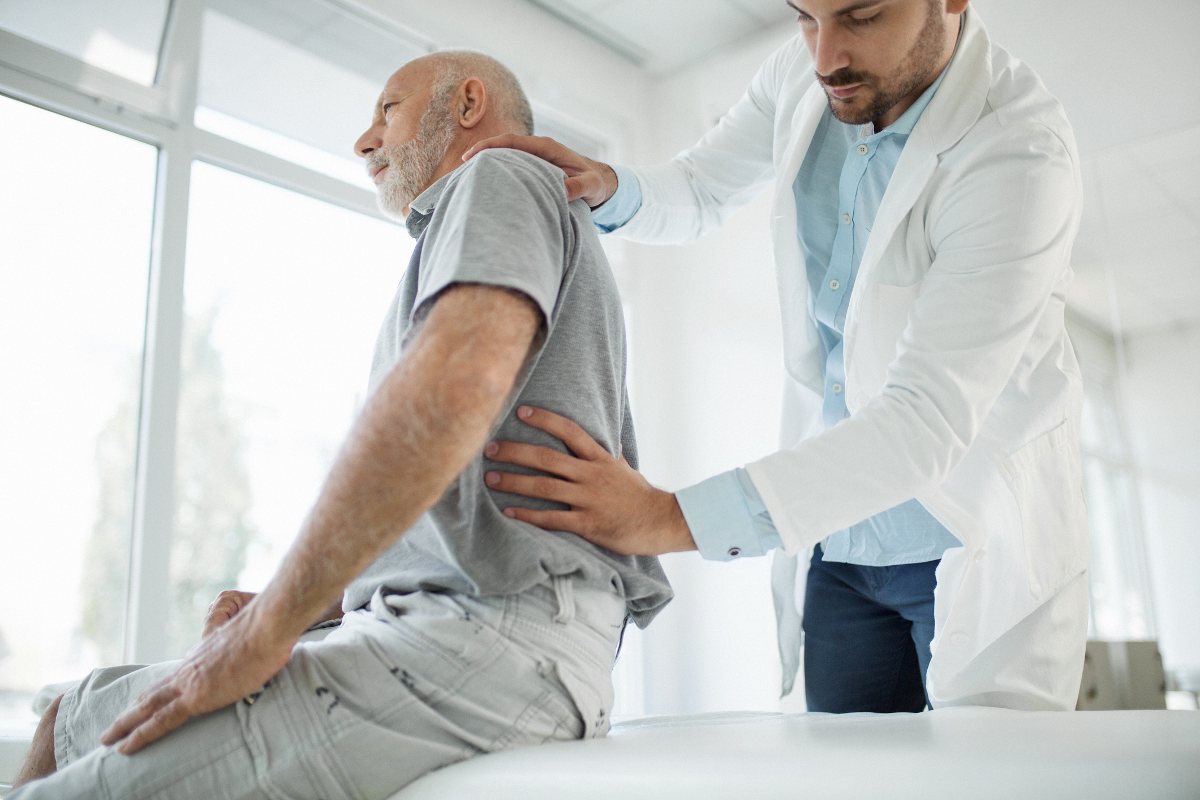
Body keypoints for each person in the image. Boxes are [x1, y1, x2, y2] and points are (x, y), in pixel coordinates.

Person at [11, 50, 671, 798]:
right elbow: (452, 499)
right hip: (450, 620)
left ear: (467, 105)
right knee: (69, 715)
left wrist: (265, 637)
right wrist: (295, 604)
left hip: (495, 633)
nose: (364, 140)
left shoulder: (500, 174)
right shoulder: (486, 222)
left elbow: (451, 392)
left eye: (388, 110)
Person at [467, 0, 1089, 713]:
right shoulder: (805, 74)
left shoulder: (1017, 148)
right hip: (841, 540)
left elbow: (924, 418)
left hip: (965, 534)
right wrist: (609, 185)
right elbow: (701, 185)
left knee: (982, 779)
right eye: (805, 18)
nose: (825, 57)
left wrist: (663, 517)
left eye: (860, 16)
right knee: (844, 778)